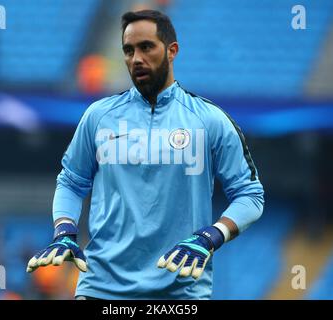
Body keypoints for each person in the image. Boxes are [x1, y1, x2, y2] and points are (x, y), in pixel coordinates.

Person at [26, 9, 264, 300]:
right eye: (128, 50)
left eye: (146, 47)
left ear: (172, 50)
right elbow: (71, 182)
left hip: (180, 293)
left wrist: (211, 236)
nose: (136, 58)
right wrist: (64, 230)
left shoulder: (210, 120)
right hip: (101, 291)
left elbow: (250, 195)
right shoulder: (98, 117)